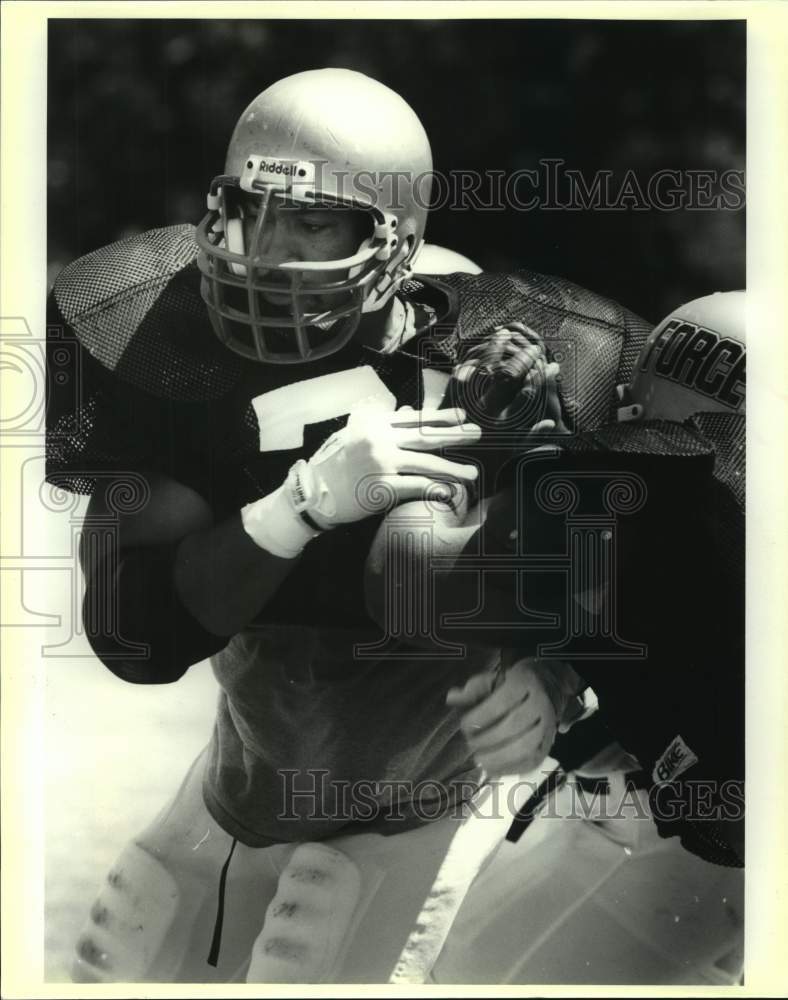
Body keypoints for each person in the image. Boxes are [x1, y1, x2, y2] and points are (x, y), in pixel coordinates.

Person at [47, 67, 665, 984]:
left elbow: (651, 571)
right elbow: (134, 633)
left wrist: (560, 677)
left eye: (310, 220)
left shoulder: (527, 355)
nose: (264, 250)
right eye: (250, 209)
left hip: (426, 809)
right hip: (235, 798)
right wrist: (297, 505)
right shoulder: (171, 346)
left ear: (396, 241)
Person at [365, 292, 745, 983]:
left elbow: (410, 582)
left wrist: (451, 448)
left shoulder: (658, 507)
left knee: (469, 979)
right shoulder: (703, 525)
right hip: (719, 842)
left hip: (691, 856)